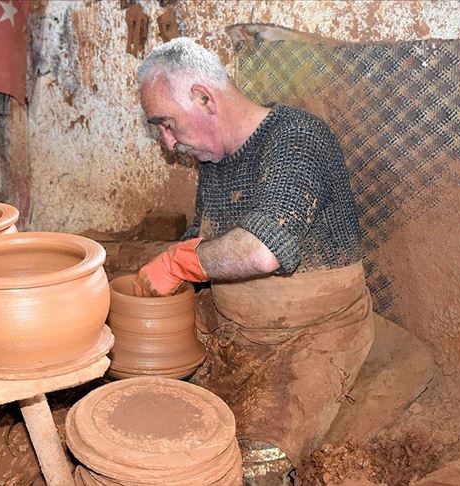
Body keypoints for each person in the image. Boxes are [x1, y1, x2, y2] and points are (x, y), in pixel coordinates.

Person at [134, 37, 375, 472]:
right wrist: (170, 264)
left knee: (250, 463)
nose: (168, 143)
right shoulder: (214, 160)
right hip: (236, 329)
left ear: (204, 98)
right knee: (157, 420)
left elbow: (264, 250)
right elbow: (203, 240)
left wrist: (176, 262)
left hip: (311, 336)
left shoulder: (298, 139)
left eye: (167, 124)